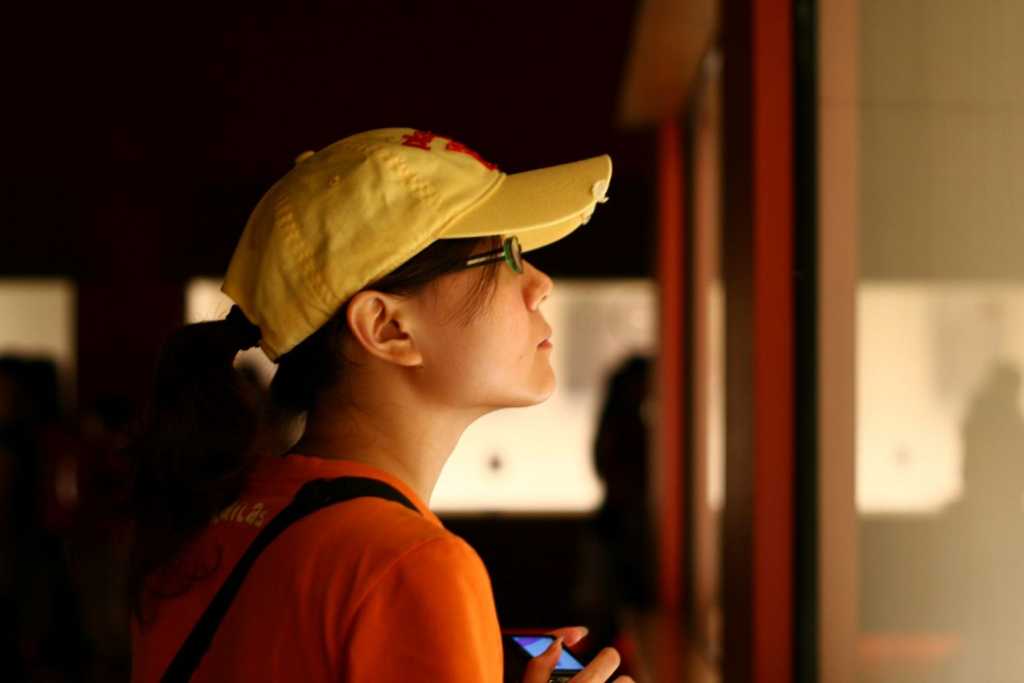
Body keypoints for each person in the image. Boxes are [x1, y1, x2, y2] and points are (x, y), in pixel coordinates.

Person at [127, 128, 633, 682]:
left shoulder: (223, 515)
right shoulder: (408, 564)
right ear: (387, 327)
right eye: (502, 254)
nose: (540, 283)